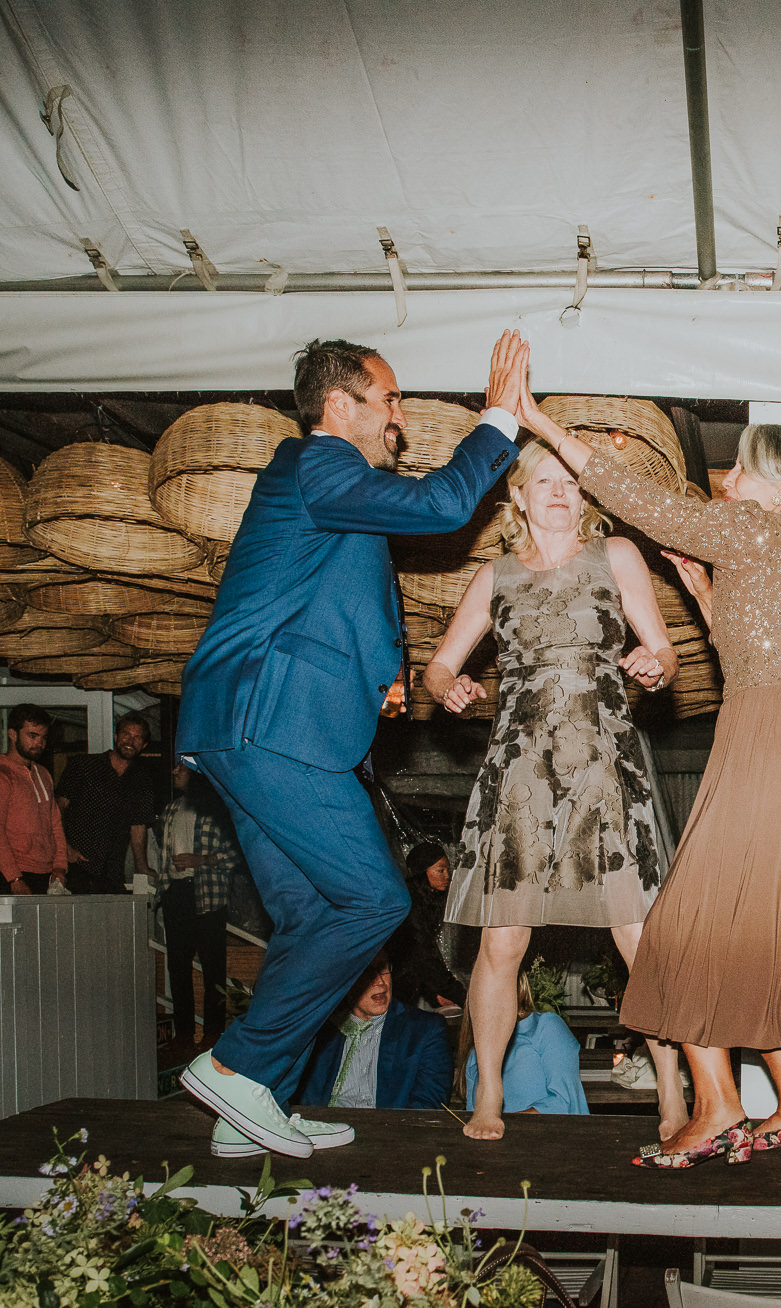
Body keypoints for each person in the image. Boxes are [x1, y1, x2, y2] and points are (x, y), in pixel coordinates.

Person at [512, 353, 781, 1170]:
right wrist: (710, 599)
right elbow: (776, 647)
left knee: (687, 930)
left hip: (764, 743)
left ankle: (714, 1110)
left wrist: (537, 421)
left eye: (743, 468)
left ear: (779, 486)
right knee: (754, 935)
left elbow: (639, 500)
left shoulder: (749, 527)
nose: (728, 478)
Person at [174, 331, 525, 1159]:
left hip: (258, 726)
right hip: (272, 723)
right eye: (391, 399)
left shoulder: (335, 493)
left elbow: (336, 597)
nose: (399, 419)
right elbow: (442, 505)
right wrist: (501, 419)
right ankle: (236, 1066)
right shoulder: (318, 463)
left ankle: (250, 1104)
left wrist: (382, 676)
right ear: (340, 405)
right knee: (375, 900)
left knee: (311, 911)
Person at [424, 439, 686, 1142]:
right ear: (519, 496)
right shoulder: (495, 576)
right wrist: (451, 686)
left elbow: (665, 650)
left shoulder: (617, 556)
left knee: (639, 938)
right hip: (520, 776)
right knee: (502, 943)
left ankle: (671, 1094)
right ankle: (488, 1097)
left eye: (571, 482)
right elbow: (438, 666)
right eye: (546, 481)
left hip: (603, 768)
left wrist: (653, 666)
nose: (561, 491)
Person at [152, 757, 242, 1054]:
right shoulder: (170, 809)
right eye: (174, 766)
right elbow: (163, 856)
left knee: (213, 968)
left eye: (181, 767)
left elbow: (235, 856)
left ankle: (214, 1035)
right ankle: (183, 1035)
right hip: (176, 894)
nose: (174, 771)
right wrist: (164, 887)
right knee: (177, 967)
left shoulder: (216, 809)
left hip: (208, 895)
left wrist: (201, 860)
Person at [292, 953, 455, 1115]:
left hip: (391, 1135)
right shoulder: (319, 1030)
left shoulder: (424, 1030)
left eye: (383, 969)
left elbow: (428, 1107)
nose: (380, 982)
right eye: (367, 972)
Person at [455, 973, 588, 1117]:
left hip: (547, 1134)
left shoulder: (544, 1026)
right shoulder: (478, 1048)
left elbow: (565, 1103)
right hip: (496, 1136)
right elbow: (472, 1115)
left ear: (518, 986)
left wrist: (504, 1124)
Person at [0, 703, 70, 896]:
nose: (39, 743)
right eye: (32, 736)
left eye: (43, 737)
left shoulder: (43, 774)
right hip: (9, 875)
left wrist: (60, 866)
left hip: (44, 873)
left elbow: (55, 824)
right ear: (12, 734)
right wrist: (14, 878)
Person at [56, 713, 157, 894]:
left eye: (137, 737)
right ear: (116, 736)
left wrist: (142, 867)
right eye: (126, 734)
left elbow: (138, 826)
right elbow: (58, 808)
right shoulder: (83, 765)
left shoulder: (142, 780)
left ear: (144, 745)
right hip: (76, 865)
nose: (130, 741)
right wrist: (64, 847)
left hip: (111, 870)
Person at [388, 842, 467, 1009]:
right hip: (392, 988)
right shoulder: (410, 904)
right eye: (440, 870)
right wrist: (462, 996)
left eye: (447, 870)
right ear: (422, 872)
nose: (447, 876)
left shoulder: (424, 901)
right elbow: (421, 956)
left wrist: (432, 992)